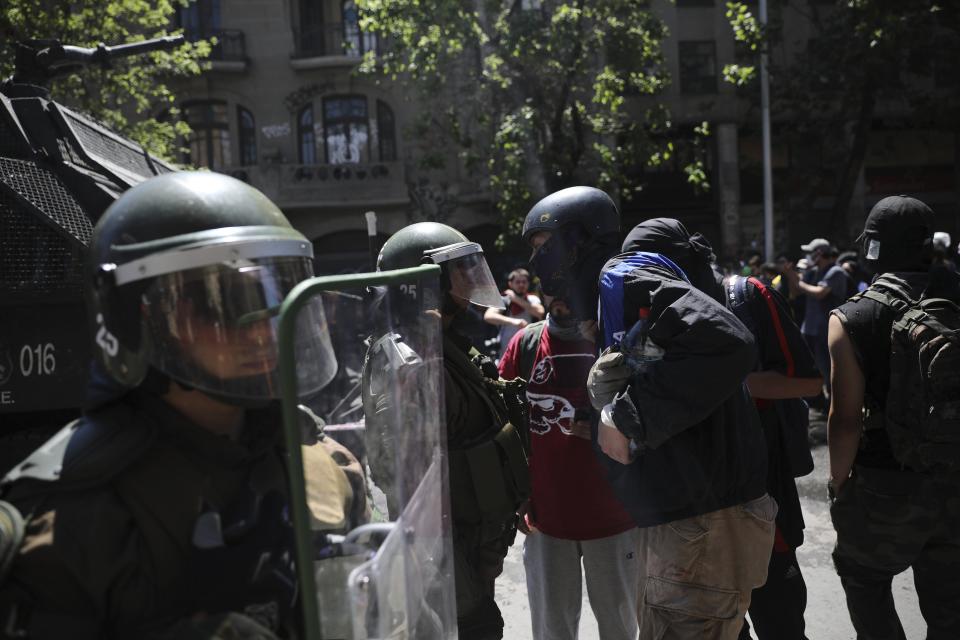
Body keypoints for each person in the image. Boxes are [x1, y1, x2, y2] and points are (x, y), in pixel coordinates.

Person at [0, 172, 360, 639]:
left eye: (273, 299)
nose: (259, 330)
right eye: (220, 304)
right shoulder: (65, 522)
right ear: (135, 319)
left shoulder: (319, 465)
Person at [583, 218, 776, 640]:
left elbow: (729, 341)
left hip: (698, 528)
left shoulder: (635, 273)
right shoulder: (682, 339)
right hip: (700, 525)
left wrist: (625, 415)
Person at [373, 222, 530, 640]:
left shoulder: (447, 342)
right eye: (459, 269)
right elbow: (408, 483)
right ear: (427, 284)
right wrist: (447, 572)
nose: (471, 279)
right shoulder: (412, 361)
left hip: (474, 544)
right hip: (447, 561)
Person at [828, 195, 960, 640]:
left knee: (863, 577)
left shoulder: (851, 316)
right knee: (950, 607)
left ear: (873, 248)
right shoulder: (955, 298)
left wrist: (839, 482)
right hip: (955, 478)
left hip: (885, 481)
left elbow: (844, 419)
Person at [498, 295, 639, 640]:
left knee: (619, 627)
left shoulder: (619, 339)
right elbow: (503, 424)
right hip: (547, 519)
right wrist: (515, 493)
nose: (559, 294)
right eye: (550, 284)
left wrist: (605, 427)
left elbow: (652, 414)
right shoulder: (526, 343)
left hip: (615, 519)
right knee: (552, 630)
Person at [783, 238, 849, 404]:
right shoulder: (814, 272)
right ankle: (817, 400)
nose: (808, 256)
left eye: (811, 252)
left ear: (819, 254)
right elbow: (796, 292)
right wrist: (792, 276)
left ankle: (834, 403)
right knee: (811, 369)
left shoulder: (835, 272)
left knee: (828, 369)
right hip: (810, 329)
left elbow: (820, 292)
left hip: (826, 330)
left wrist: (798, 281)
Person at [484, 268, 545, 358]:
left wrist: (516, 299)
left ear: (528, 283)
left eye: (524, 282)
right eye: (518, 282)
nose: (521, 284)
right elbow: (488, 316)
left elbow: (540, 312)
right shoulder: (504, 299)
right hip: (504, 352)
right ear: (510, 284)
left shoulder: (533, 299)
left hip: (527, 350)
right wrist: (514, 321)